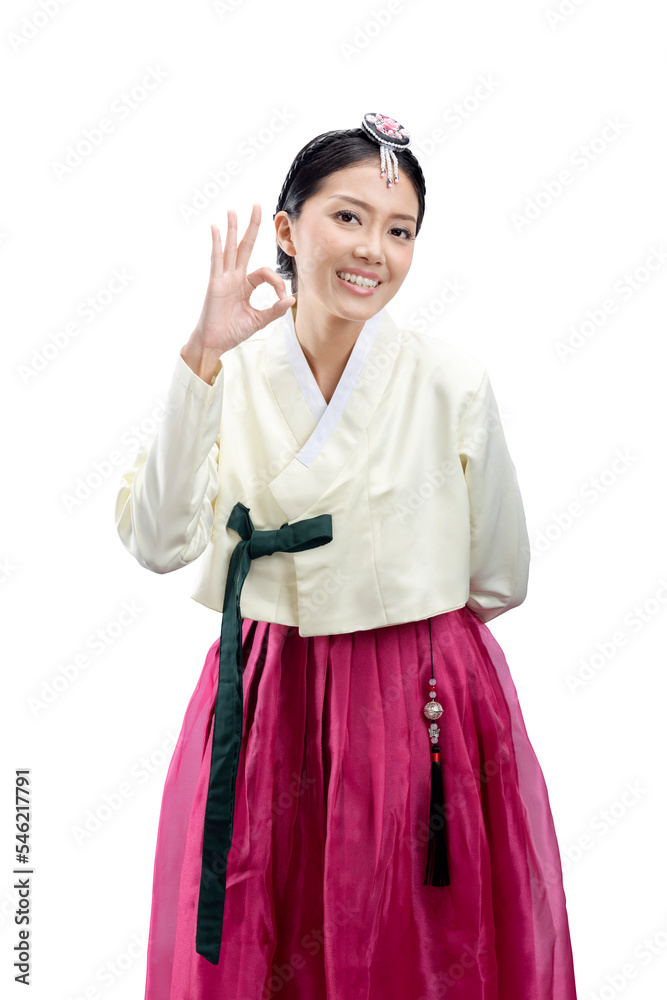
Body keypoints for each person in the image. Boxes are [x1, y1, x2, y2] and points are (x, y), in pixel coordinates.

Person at [114, 113, 579, 1000]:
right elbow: (157, 540)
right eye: (348, 217)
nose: (374, 249)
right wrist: (204, 351)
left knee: (405, 944)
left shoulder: (451, 378)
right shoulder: (227, 370)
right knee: (267, 928)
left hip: (413, 698)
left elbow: (499, 577)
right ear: (287, 231)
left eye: (399, 230)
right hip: (264, 696)